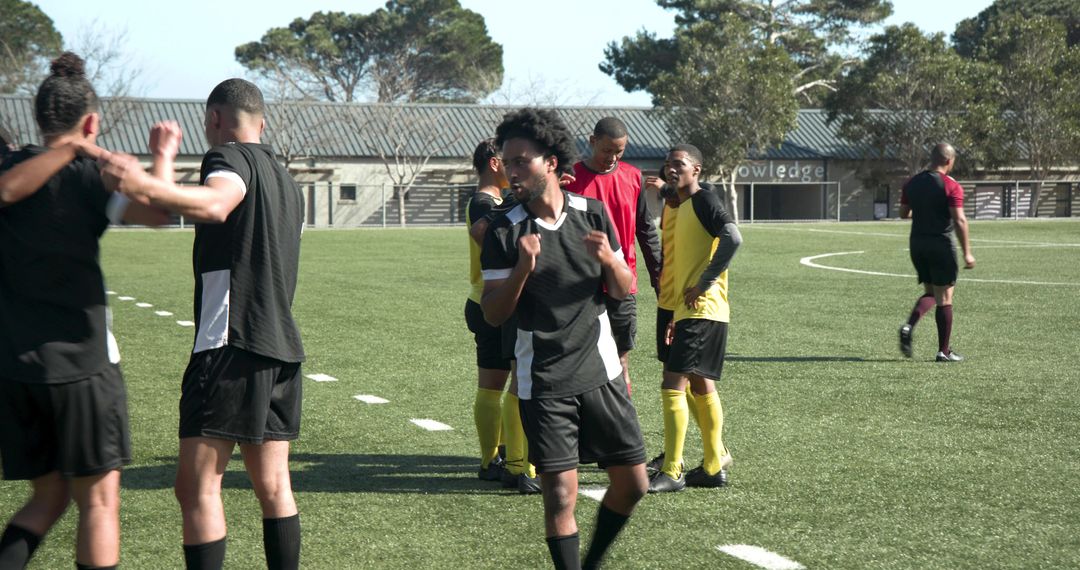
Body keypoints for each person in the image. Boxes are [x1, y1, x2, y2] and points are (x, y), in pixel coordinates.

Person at [98, 78, 305, 570]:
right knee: (275, 487)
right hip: (281, 348)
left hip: (230, 343)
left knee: (196, 486)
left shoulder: (226, 157)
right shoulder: (288, 181)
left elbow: (215, 203)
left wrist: (140, 180)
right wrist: (162, 167)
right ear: (262, 123)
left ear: (214, 119)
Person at [0, 52, 167, 570]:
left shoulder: (11, 166)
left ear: (37, 117)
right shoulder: (89, 176)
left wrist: (74, 148)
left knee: (47, 497)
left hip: (17, 367)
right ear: (91, 122)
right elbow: (159, 213)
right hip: (83, 365)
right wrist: (161, 156)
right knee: (98, 503)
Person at [480, 108, 648, 569]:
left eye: (521, 161)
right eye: (507, 163)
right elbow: (494, 314)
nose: (512, 172)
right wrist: (522, 269)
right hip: (544, 378)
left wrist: (610, 261)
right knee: (559, 495)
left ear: (551, 162)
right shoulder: (504, 228)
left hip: (601, 370)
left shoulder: (591, 213)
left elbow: (622, 288)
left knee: (634, 483)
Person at [647, 145, 742, 493]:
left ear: (696, 170)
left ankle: (673, 470)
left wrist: (704, 283)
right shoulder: (683, 204)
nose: (671, 169)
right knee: (700, 384)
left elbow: (733, 237)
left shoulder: (704, 200)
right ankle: (714, 465)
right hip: (687, 310)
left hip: (703, 308)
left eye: (679, 164)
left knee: (674, 384)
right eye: (668, 164)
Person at [565, 117, 661, 394]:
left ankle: (621, 414)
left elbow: (645, 231)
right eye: (607, 150)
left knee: (620, 360)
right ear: (592, 142)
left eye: (619, 151)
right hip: (580, 285)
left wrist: (659, 277)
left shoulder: (633, 176)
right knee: (579, 360)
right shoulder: (569, 178)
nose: (613, 157)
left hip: (622, 283)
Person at [898, 143, 975, 362]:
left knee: (932, 293)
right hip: (940, 244)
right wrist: (968, 253)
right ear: (949, 161)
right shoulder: (951, 185)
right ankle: (944, 351)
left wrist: (924, 211)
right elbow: (959, 220)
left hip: (917, 245)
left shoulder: (912, 182)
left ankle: (909, 325)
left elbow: (903, 213)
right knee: (945, 297)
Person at [465, 139, 512, 482]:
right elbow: (487, 238)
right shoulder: (484, 202)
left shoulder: (493, 201)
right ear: (495, 163)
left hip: (494, 300)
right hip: (488, 302)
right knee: (493, 386)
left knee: (508, 384)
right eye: (511, 161)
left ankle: (506, 450)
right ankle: (489, 459)